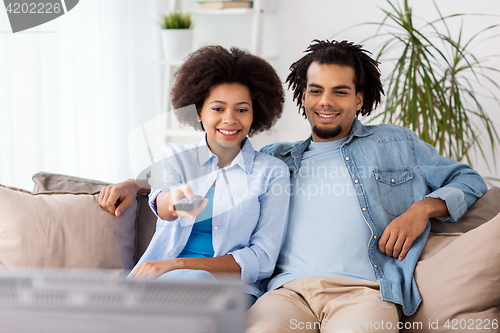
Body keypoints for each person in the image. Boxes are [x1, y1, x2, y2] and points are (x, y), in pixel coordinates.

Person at [100, 40, 487, 331]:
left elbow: (469, 179)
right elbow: (201, 164)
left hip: (363, 292)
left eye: (340, 91)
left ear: (360, 97)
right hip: (287, 293)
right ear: (303, 95)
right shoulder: (278, 159)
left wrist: (421, 210)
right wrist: (134, 185)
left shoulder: (395, 143)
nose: (326, 102)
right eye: (316, 90)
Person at [101, 45, 290, 303]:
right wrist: (176, 201)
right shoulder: (174, 156)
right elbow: (163, 202)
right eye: (218, 108)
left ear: (255, 113)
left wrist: (178, 265)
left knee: (198, 285)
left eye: (242, 109)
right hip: (162, 284)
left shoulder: (271, 172)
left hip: (231, 293)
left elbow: (263, 259)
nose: (230, 119)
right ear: (199, 111)